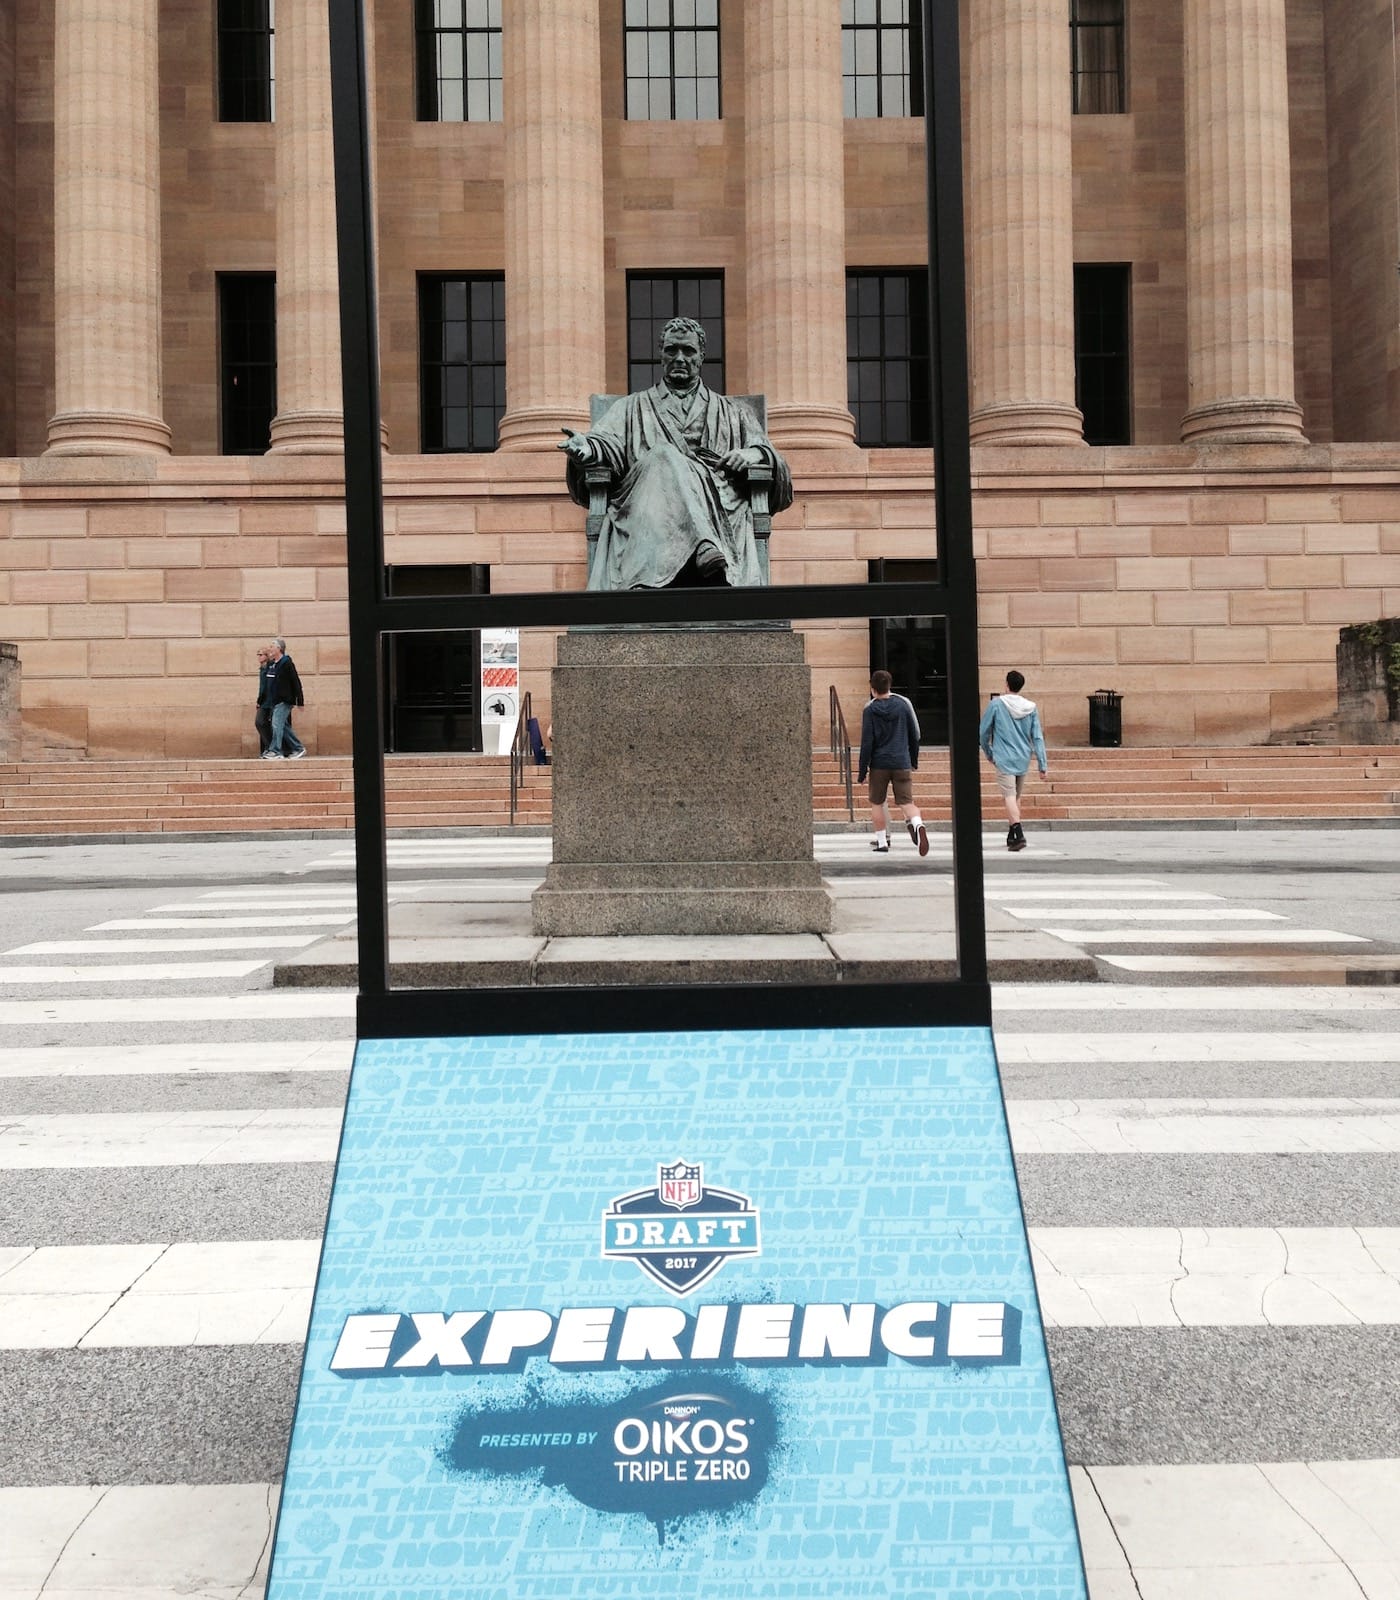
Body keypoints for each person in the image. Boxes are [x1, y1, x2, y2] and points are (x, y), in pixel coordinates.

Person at [559, 317, 793, 590]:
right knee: (662, 456)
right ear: (661, 355)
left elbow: (775, 463)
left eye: (688, 351)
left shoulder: (733, 412)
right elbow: (605, 442)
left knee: (663, 456)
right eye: (672, 350)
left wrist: (754, 454)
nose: (680, 358)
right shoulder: (630, 407)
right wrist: (587, 449)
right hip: (646, 504)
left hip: (716, 501)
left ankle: (692, 552)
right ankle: (704, 545)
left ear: (701, 356)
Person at [858, 669, 928, 856]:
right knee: (907, 802)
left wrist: (862, 770)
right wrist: (913, 759)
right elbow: (914, 735)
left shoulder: (870, 710)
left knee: (877, 803)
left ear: (873, 689)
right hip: (901, 760)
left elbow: (867, 742)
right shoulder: (903, 705)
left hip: (879, 763)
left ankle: (882, 842)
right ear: (889, 686)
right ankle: (918, 824)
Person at [979, 670, 1048, 852]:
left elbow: (983, 731)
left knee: (1009, 796)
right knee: (1016, 796)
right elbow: (1037, 737)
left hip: (1003, 757)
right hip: (1023, 757)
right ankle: (1011, 833)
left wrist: (989, 752)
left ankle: (1018, 831)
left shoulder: (997, 704)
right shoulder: (1030, 707)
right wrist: (1042, 764)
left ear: (1007, 684)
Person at [262, 637, 306, 760]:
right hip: (274, 701)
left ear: (279, 649)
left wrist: (300, 701)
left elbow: (296, 682)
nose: (269, 649)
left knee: (276, 724)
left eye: (272, 646)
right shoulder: (273, 664)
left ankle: (275, 750)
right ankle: (298, 748)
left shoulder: (286, 663)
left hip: (284, 700)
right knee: (283, 726)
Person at [253, 645, 274, 756]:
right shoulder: (262, 668)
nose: (259, 657)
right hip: (264, 701)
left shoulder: (269, 668)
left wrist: (259, 700)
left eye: (261, 654)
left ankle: (270, 747)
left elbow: (265, 687)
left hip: (268, 701)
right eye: (258, 654)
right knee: (261, 723)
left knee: (261, 722)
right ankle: (268, 747)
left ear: (266, 656)